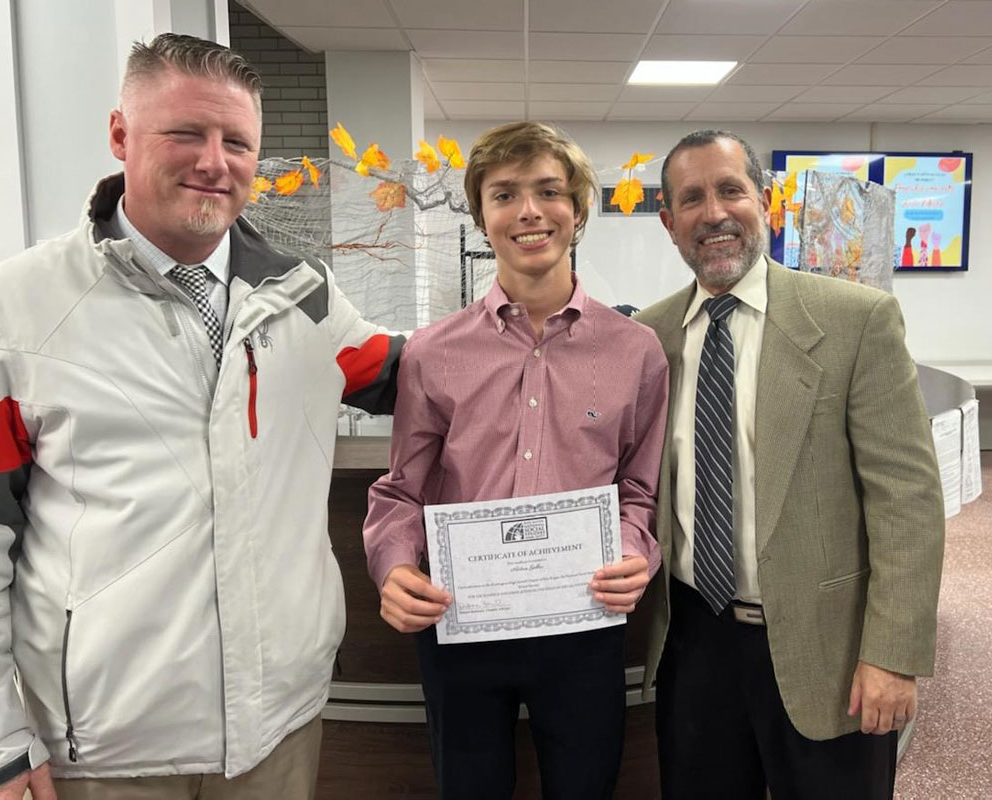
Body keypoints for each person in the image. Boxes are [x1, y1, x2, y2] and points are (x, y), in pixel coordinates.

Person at [0, 34, 402, 800]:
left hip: (277, 731)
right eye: (185, 133)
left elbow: (418, 378)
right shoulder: (18, 308)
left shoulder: (304, 294)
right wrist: (3, 742)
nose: (214, 161)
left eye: (236, 141)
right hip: (105, 751)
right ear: (121, 135)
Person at [362, 121, 669, 799]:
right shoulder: (433, 352)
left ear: (580, 210)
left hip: (582, 626)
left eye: (549, 191)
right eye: (504, 194)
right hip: (459, 622)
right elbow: (402, 493)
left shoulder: (636, 351)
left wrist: (631, 553)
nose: (528, 211)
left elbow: (640, 494)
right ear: (482, 216)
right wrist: (393, 567)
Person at [636, 129, 944, 799]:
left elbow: (907, 501)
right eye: (691, 199)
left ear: (765, 201)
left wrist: (892, 654)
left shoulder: (854, 320)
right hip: (696, 646)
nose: (714, 213)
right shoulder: (648, 337)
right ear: (668, 223)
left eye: (730, 190)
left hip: (827, 650)